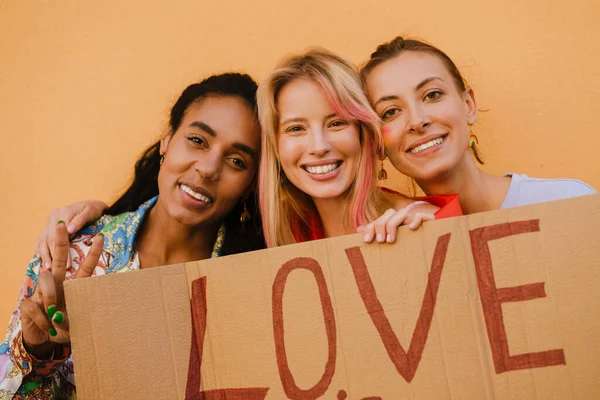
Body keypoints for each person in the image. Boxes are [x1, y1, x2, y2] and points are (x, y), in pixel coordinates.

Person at [0, 72, 264, 399]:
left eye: (236, 160)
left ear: (251, 183)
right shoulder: (72, 254)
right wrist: (38, 353)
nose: (209, 168)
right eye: (197, 140)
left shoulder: (254, 288)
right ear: (167, 140)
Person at [360, 36, 596, 216]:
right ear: (377, 144)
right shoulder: (400, 239)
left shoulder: (570, 203)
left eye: (432, 95)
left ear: (469, 105)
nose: (417, 121)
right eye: (390, 112)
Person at [256, 48, 461, 248]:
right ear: (276, 146)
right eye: (296, 128)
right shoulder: (287, 232)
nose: (319, 147)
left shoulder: (423, 222)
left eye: (336, 123)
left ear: (366, 134)